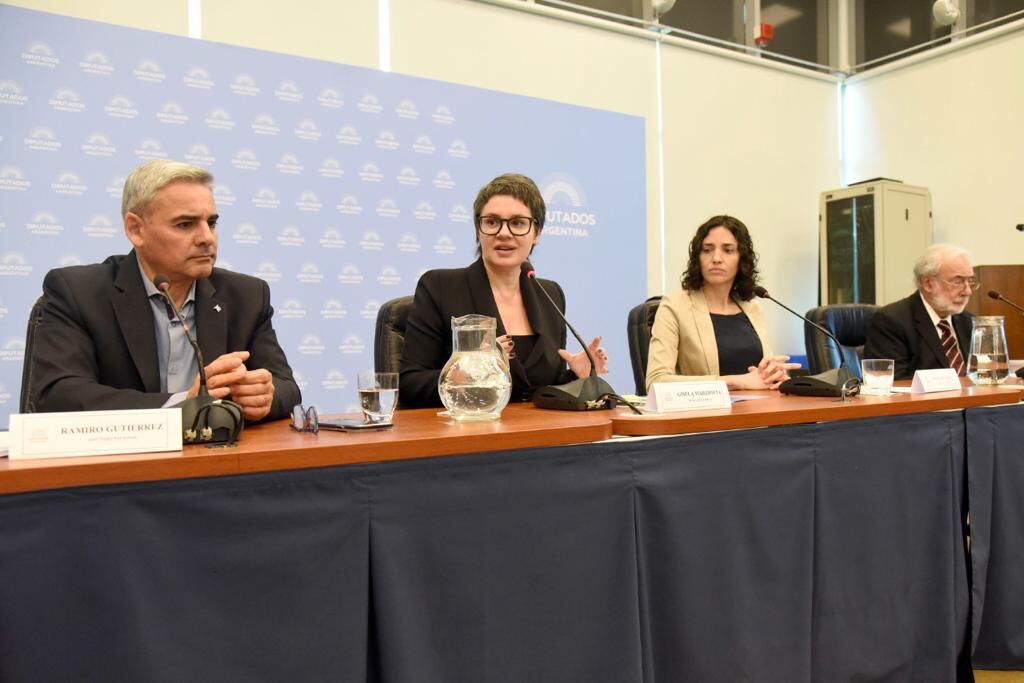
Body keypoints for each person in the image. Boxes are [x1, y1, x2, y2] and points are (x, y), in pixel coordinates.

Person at [30, 159, 300, 421]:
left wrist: (264, 395)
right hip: (119, 461)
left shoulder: (247, 296)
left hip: (214, 458)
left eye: (212, 223)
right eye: (185, 224)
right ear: (136, 230)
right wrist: (182, 404)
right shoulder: (78, 293)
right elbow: (58, 395)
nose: (207, 237)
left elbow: (287, 388)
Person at [399, 173, 607, 407]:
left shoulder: (549, 293)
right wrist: (470, 371)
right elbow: (409, 385)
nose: (504, 233)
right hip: (467, 434)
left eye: (518, 223)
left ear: (536, 233)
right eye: (492, 222)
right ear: (479, 229)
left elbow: (542, 389)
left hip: (538, 435)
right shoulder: (440, 287)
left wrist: (576, 376)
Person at [646, 215, 798, 392]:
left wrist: (774, 376)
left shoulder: (751, 306)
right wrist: (735, 382)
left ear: (742, 259)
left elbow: (761, 374)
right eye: (707, 250)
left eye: (728, 250)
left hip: (758, 413)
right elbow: (656, 382)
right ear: (698, 257)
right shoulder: (674, 306)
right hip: (706, 416)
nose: (716, 258)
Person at [863, 243, 976, 380]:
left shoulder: (969, 321)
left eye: (970, 281)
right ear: (928, 284)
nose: (968, 291)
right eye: (958, 281)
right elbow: (892, 384)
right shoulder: (891, 322)